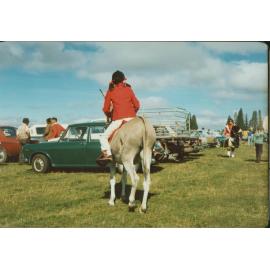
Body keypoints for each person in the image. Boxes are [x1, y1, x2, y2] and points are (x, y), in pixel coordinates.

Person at [99, 70, 140, 161]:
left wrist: (110, 115)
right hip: (132, 118)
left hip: (118, 119)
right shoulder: (129, 89)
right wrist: (132, 114)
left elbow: (105, 108)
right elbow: (137, 105)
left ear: (113, 81)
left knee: (103, 138)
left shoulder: (110, 91)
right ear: (123, 80)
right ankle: (155, 149)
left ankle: (108, 155)